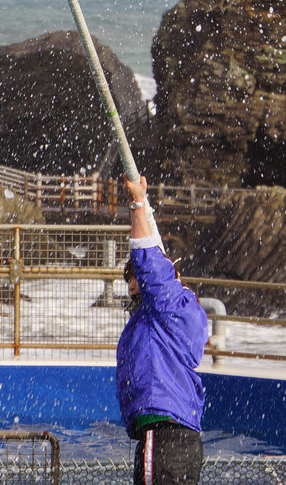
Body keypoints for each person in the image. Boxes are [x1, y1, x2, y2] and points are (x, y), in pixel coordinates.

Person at [115, 175, 209, 485]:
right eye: (129, 279)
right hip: (183, 438)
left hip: (164, 436)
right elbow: (154, 262)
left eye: (136, 278)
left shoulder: (166, 301)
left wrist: (137, 205)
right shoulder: (181, 312)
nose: (132, 286)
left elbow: (149, 259)